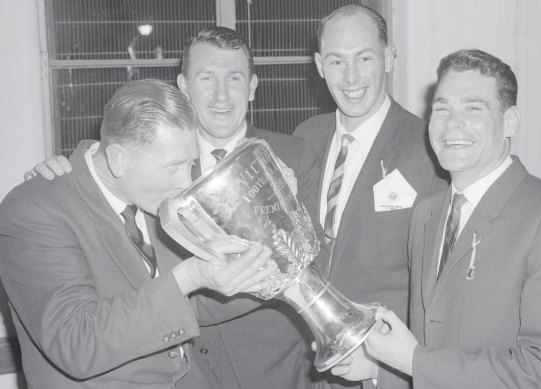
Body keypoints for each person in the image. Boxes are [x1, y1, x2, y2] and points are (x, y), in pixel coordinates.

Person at [25, 27, 321, 389]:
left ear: (254, 86)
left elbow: (314, 259)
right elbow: (106, 172)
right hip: (178, 365)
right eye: (207, 78)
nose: (222, 95)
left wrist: (278, 211)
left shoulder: (294, 158)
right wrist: (66, 171)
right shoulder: (152, 167)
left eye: (235, 78)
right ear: (183, 85)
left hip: (271, 369)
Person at [0, 79, 280, 388]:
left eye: (189, 163)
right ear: (119, 159)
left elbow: (188, 305)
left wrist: (264, 272)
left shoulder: (149, 197)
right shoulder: (34, 210)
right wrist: (188, 277)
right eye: (173, 167)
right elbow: (76, 343)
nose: (184, 183)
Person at [346, 49, 541, 388]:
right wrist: (377, 367)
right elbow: (431, 348)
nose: (451, 122)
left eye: (473, 108)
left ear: (511, 121)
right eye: (441, 108)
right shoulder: (427, 215)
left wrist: (413, 361)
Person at [294, 5, 446, 388]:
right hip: (307, 367)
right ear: (318, 64)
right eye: (336, 61)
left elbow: (438, 293)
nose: (351, 77)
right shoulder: (304, 138)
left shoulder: (429, 150)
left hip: (379, 369)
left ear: (390, 57)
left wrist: (387, 369)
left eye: (364, 58)